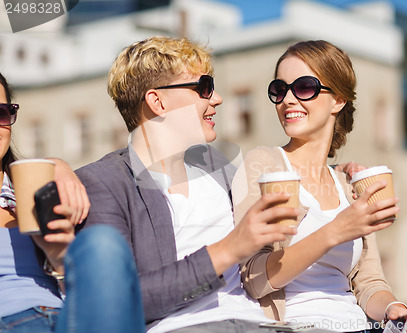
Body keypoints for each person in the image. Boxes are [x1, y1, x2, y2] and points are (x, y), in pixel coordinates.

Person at [75, 36, 303, 333]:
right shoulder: (105, 182)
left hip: (263, 324)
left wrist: (341, 174)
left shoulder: (220, 167)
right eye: (204, 87)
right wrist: (228, 250)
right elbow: (120, 298)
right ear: (157, 102)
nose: (217, 98)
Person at [231, 40, 407, 333]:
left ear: (338, 100)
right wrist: (333, 232)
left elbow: (368, 282)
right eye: (279, 90)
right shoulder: (263, 165)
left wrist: (392, 308)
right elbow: (253, 278)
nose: (288, 100)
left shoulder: (347, 184)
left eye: (304, 87)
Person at [0, 72, 144, 333]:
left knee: (103, 242)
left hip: (65, 319)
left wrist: (58, 258)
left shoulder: (33, 189)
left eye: (0, 113)